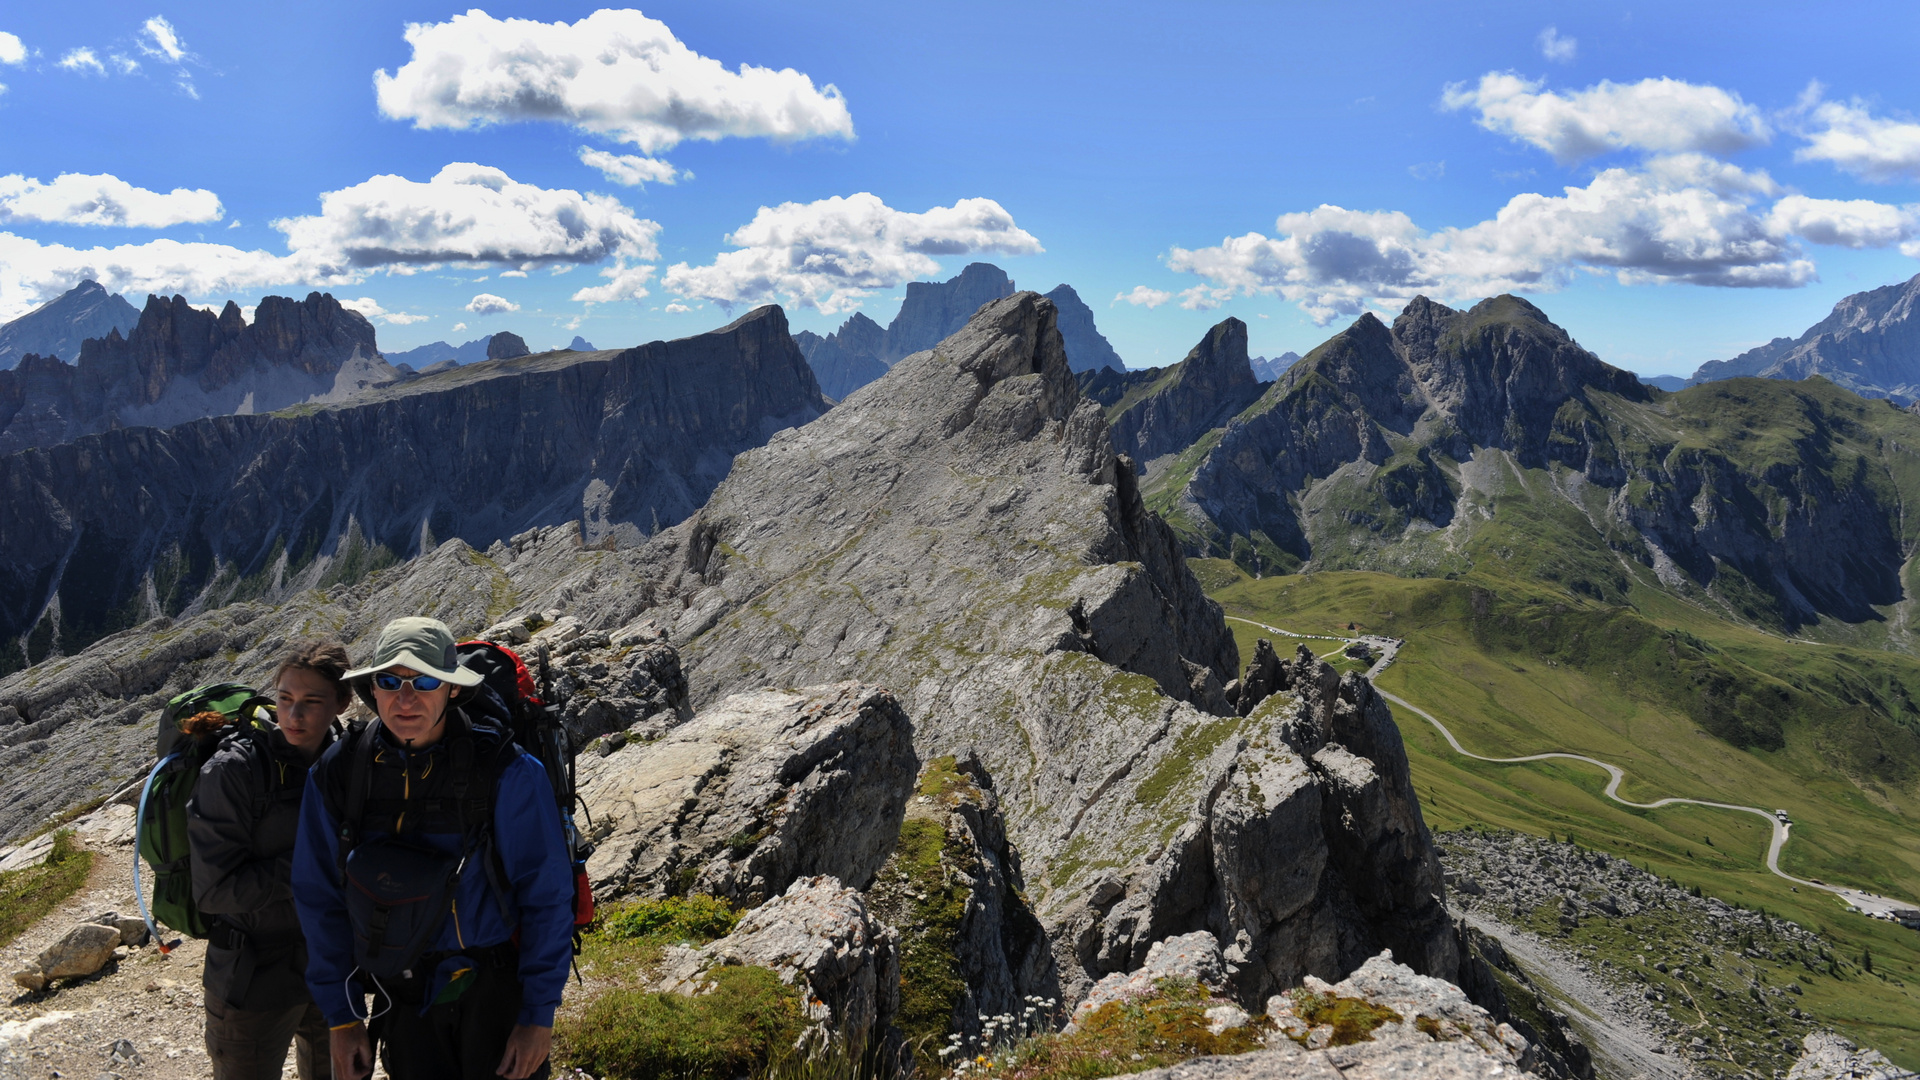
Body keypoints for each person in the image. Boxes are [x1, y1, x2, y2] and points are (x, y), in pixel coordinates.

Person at [290, 617, 573, 1080]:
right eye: (390, 682)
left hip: (494, 992)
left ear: (452, 691)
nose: (406, 699)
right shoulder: (339, 773)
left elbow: (546, 895)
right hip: (400, 996)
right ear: (372, 691)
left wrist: (538, 1017)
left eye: (425, 681)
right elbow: (318, 897)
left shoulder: (505, 769)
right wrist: (342, 1017)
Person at [187, 640, 350, 1080]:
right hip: (251, 978)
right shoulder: (233, 771)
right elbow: (214, 889)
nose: (294, 716)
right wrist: (315, 866)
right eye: (285, 699)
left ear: (341, 703)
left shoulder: (348, 762)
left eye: (311, 702)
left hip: (329, 967)